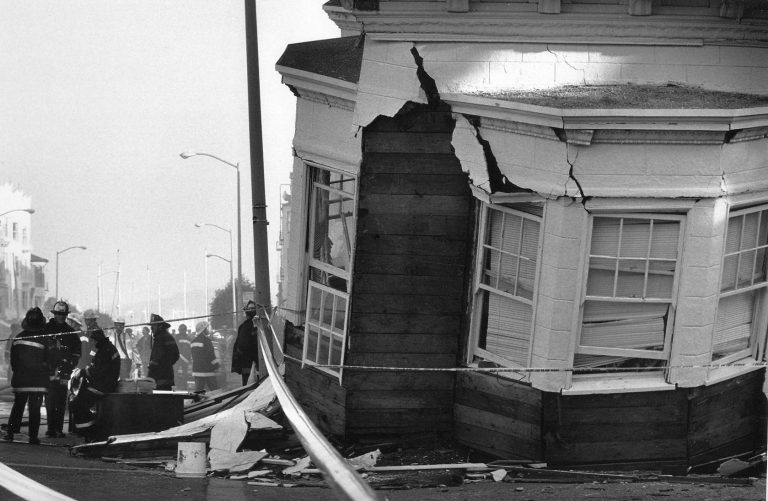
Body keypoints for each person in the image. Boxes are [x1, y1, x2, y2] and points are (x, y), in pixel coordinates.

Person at [4, 307, 49, 444]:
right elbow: (50, 360)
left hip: (21, 380)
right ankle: (33, 437)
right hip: (38, 382)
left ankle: (10, 433)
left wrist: (19, 372)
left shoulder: (18, 337)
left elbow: (13, 360)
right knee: (35, 409)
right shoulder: (44, 339)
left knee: (18, 406)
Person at [69, 326, 121, 439]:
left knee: (77, 404)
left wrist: (82, 372)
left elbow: (97, 370)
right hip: (104, 384)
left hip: (101, 386)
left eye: (92, 340)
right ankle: (89, 431)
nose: (92, 343)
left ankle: (91, 432)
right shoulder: (107, 348)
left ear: (96, 339)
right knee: (79, 401)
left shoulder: (105, 350)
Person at [44, 300, 81, 438]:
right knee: (50, 401)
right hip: (48, 371)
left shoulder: (71, 332)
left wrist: (69, 365)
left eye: (63, 314)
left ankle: (58, 429)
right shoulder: (45, 329)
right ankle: (51, 428)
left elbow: (77, 353)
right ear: (54, 314)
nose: (60, 316)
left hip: (64, 372)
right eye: (58, 314)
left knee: (60, 401)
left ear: (66, 315)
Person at [147, 314, 179, 390]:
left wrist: (164, 365)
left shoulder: (163, 338)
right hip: (161, 377)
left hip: (162, 378)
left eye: (153, 326)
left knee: (161, 395)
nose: (151, 328)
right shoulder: (161, 337)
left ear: (160, 326)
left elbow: (174, 355)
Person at [231, 300, 259, 386]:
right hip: (251, 363)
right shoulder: (253, 325)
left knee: (248, 387)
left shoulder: (245, 326)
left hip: (250, 363)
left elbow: (241, 345)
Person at [190, 321, 220, 392]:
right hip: (208, 370)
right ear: (203, 330)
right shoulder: (206, 341)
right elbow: (210, 355)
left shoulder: (193, 341)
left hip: (197, 371)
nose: (208, 330)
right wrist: (216, 365)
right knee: (215, 391)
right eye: (206, 328)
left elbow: (194, 356)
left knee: (198, 392)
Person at [174, 323, 192, 390]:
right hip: (185, 359)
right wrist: (189, 358)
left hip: (177, 358)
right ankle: (184, 386)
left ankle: (177, 385)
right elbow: (189, 349)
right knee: (184, 373)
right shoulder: (188, 337)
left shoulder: (176, 336)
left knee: (175, 372)